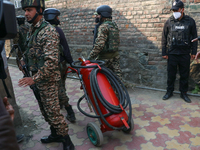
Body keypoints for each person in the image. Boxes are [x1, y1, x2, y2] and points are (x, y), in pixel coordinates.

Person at [18, 0, 74, 149]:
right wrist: (23, 61)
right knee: (45, 112)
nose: (26, 14)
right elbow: (30, 50)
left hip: (48, 81)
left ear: (39, 10)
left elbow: (51, 63)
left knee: (54, 113)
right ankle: (55, 134)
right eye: (25, 10)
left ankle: (68, 142)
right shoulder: (33, 29)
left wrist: (33, 79)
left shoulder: (48, 31)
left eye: (29, 10)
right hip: (38, 81)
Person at [43, 8, 76, 123]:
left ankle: (69, 111)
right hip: (61, 64)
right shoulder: (58, 30)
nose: (59, 19)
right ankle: (65, 106)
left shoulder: (44, 31)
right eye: (57, 17)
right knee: (61, 86)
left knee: (59, 88)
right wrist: (71, 62)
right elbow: (66, 49)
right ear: (53, 17)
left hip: (54, 66)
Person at [161, 0, 197, 103]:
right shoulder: (169, 21)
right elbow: (164, 37)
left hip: (185, 53)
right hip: (172, 53)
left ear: (182, 10)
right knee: (171, 74)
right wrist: (164, 52)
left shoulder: (190, 21)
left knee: (184, 75)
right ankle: (169, 92)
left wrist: (193, 52)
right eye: (173, 10)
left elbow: (194, 38)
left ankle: (183, 93)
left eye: (176, 10)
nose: (175, 11)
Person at [88, 5, 122, 80]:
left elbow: (99, 44)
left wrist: (90, 57)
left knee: (100, 78)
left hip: (104, 58)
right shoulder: (114, 25)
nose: (96, 17)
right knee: (117, 77)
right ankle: (119, 91)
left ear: (103, 15)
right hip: (115, 56)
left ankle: (102, 91)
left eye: (98, 15)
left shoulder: (103, 26)